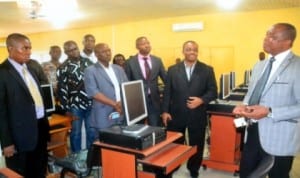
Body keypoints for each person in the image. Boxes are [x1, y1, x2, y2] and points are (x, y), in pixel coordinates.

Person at [232, 23, 300, 178]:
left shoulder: (298, 66)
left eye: (273, 37)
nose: (266, 39)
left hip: (280, 137)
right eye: (267, 35)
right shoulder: (259, 65)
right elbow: (251, 94)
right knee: (246, 174)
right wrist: (243, 106)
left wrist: (270, 112)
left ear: (288, 42)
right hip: (252, 133)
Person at [162, 40, 218, 178]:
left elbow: (213, 91)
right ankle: (173, 167)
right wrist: (165, 111)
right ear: (183, 51)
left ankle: (193, 168)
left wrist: (201, 100)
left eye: (194, 49)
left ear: (197, 51)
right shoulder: (172, 69)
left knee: (196, 144)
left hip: (197, 114)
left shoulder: (207, 69)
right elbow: (167, 92)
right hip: (176, 114)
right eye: (188, 49)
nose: (191, 51)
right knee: (174, 144)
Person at [0, 33, 50, 177]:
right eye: (25, 48)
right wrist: (7, 142)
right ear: (10, 49)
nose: (29, 51)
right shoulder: (2, 72)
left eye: (30, 48)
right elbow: (1, 111)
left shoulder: (31, 69)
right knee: (21, 171)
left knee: (40, 168)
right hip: (19, 135)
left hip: (39, 127)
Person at [56, 40, 94, 153]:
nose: (74, 52)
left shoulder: (88, 62)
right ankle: (76, 157)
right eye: (70, 50)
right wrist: (66, 109)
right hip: (75, 106)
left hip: (90, 103)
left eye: (75, 48)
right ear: (66, 52)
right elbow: (62, 90)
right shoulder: (63, 67)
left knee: (91, 131)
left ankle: (90, 157)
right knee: (76, 132)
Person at [84, 43, 128, 138]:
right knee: (104, 144)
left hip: (120, 112)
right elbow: (93, 92)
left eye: (109, 50)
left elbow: (126, 87)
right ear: (96, 54)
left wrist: (122, 103)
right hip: (103, 114)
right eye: (104, 51)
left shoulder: (118, 69)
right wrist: (115, 104)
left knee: (121, 141)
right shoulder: (90, 71)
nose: (108, 53)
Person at [125, 36, 167, 126]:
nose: (147, 45)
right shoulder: (130, 62)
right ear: (137, 47)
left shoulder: (157, 60)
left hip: (154, 100)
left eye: (148, 43)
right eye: (143, 44)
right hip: (137, 102)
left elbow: (166, 79)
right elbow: (127, 83)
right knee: (137, 127)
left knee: (155, 126)